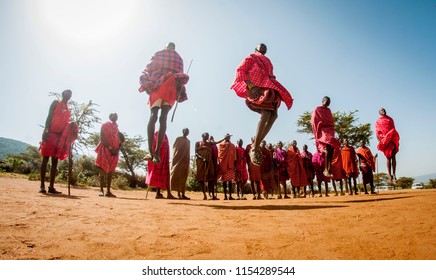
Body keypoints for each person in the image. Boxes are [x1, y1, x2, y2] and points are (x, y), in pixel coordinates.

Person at [231, 43, 293, 166]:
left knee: (274, 115)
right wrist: (251, 86)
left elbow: (269, 75)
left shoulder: (268, 62)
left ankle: (256, 145)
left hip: (268, 87)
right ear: (256, 49)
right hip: (257, 88)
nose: (264, 47)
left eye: (265, 46)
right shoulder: (251, 57)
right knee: (265, 114)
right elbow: (241, 71)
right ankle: (254, 148)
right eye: (261, 46)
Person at [139, 42, 189, 163]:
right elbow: (180, 77)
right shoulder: (178, 59)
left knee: (154, 116)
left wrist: (147, 84)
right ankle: (155, 153)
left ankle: (152, 152)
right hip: (169, 88)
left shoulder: (159, 54)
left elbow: (148, 69)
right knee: (162, 117)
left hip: (159, 86)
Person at [39, 89, 78, 194]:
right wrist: (46, 130)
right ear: (63, 94)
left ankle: (51, 186)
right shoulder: (56, 103)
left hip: (59, 137)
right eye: (67, 93)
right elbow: (49, 116)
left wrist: (71, 126)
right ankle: (42, 186)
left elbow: (65, 123)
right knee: (45, 159)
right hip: (50, 133)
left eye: (71, 94)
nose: (69, 95)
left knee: (55, 162)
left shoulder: (68, 109)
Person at [311, 96, 341, 178]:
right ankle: (326, 169)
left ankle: (329, 168)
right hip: (322, 130)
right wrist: (317, 132)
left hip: (329, 130)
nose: (328, 103)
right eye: (327, 101)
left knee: (331, 149)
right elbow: (314, 121)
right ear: (323, 100)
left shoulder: (328, 110)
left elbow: (331, 121)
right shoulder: (317, 109)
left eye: (329, 102)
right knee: (327, 148)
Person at [95, 113, 124, 197]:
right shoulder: (104, 125)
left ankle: (108, 191)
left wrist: (116, 150)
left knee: (111, 172)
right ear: (110, 117)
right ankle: (101, 190)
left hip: (114, 152)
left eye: (117, 116)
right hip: (105, 149)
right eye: (113, 115)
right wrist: (110, 148)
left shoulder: (117, 129)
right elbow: (102, 138)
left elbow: (120, 141)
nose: (115, 116)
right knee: (102, 171)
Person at [145, 132, 176, 199]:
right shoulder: (156, 135)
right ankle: (162, 193)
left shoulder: (164, 136)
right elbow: (154, 148)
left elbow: (166, 148)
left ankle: (161, 193)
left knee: (164, 175)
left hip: (163, 160)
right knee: (160, 175)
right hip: (158, 159)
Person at [375, 108, 400, 184]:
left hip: (392, 139)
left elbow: (393, 129)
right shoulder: (378, 121)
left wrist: (395, 138)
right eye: (381, 110)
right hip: (385, 141)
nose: (383, 111)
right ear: (379, 112)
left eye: (384, 110)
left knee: (393, 156)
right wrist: (380, 141)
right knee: (388, 157)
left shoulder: (390, 119)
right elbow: (377, 132)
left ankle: (394, 174)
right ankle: (389, 175)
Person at [170, 128, 191, 200]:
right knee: (177, 175)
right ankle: (178, 194)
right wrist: (177, 157)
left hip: (185, 160)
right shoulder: (178, 139)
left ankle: (183, 194)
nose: (186, 132)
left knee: (184, 176)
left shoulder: (188, 141)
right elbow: (175, 148)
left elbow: (188, 151)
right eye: (185, 131)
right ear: (183, 131)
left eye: (188, 131)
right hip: (178, 159)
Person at [218, 134, 237, 200]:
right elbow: (219, 155)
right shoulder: (221, 145)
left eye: (229, 137)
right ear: (224, 137)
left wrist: (234, 166)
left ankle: (230, 196)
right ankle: (225, 196)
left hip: (230, 165)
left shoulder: (232, 146)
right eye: (227, 137)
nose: (228, 138)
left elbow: (234, 157)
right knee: (224, 181)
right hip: (223, 165)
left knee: (230, 181)